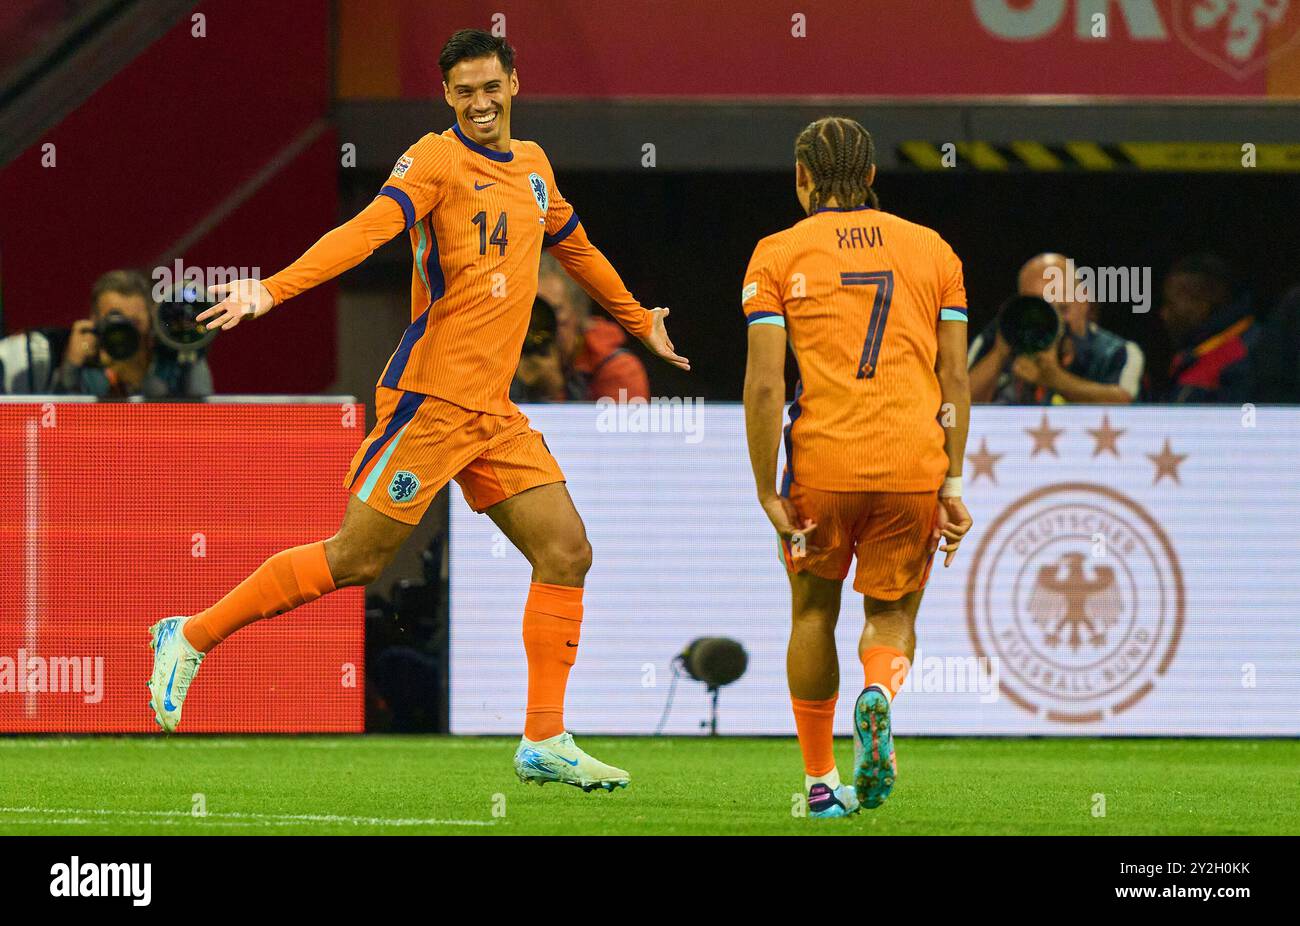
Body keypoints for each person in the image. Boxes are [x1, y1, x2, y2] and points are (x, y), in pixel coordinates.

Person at [145, 29, 688, 792]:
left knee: (566, 552)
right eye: (463, 91)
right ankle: (190, 635)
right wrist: (269, 288)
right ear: (447, 97)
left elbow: (576, 246)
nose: (478, 102)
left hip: (492, 413)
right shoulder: (435, 159)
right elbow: (367, 231)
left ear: (514, 84)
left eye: (489, 87)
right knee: (358, 560)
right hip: (430, 400)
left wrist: (638, 321)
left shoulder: (533, 168)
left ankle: (543, 737)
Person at [742, 116, 972, 819]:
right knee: (893, 612)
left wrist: (764, 490)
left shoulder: (776, 254)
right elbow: (955, 377)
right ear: (872, 177)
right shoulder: (934, 251)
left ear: (802, 177)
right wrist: (953, 480)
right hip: (911, 462)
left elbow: (764, 386)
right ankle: (880, 692)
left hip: (824, 463)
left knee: (813, 609)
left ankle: (820, 784)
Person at [968, 253, 1142, 405]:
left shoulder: (1117, 353)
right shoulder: (999, 337)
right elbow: (953, 403)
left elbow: (1124, 404)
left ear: (1084, 301)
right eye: (1040, 309)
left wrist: (1054, 379)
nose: (1053, 321)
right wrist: (1000, 353)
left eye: (1062, 309)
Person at [511, 253, 650, 402]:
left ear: (578, 313)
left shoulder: (619, 370)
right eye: (530, 311)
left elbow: (615, 425)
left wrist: (552, 392)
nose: (538, 325)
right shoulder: (499, 356)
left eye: (553, 311)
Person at [55, 269, 212, 398]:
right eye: (115, 319)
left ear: (151, 320)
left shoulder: (171, 362)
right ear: (94, 319)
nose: (125, 330)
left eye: (135, 322)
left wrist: (190, 352)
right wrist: (71, 366)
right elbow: (56, 425)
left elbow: (203, 418)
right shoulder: (85, 366)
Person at [1157, 253, 1259, 403]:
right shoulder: (1197, 353)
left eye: (1170, 304)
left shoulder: (1246, 353)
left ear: (1203, 302)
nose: (1164, 314)